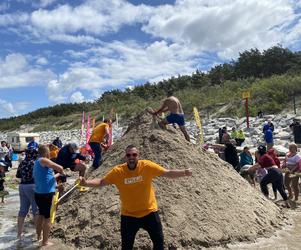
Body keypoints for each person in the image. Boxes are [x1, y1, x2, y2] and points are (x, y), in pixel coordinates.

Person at [79, 145, 192, 250]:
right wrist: (86, 183)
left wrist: (184, 172)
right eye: (128, 155)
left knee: (159, 243)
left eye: (134, 155)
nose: (131, 157)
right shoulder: (118, 171)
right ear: (125, 157)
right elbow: (101, 182)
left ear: (138, 155)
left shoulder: (147, 166)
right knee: (126, 247)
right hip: (129, 215)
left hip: (150, 213)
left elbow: (167, 173)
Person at [33, 144, 64, 246]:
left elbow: (48, 177)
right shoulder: (43, 160)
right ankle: (45, 242)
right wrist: (61, 170)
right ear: (47, 153)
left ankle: (38, 236)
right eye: (49, 153)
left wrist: (58, 174)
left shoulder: (37, 162)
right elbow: (59, 167)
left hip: (39, 192)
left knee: (41, 215)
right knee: (47, 218)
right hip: (45, 194)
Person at [16, 148, 39, 240]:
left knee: (22, 211)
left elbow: (18, 175)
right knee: (36, 210)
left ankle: (19, 234)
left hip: (22, 186)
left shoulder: (22, 162)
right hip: (32, 186)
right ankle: (38, 235)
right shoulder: (35, 163)